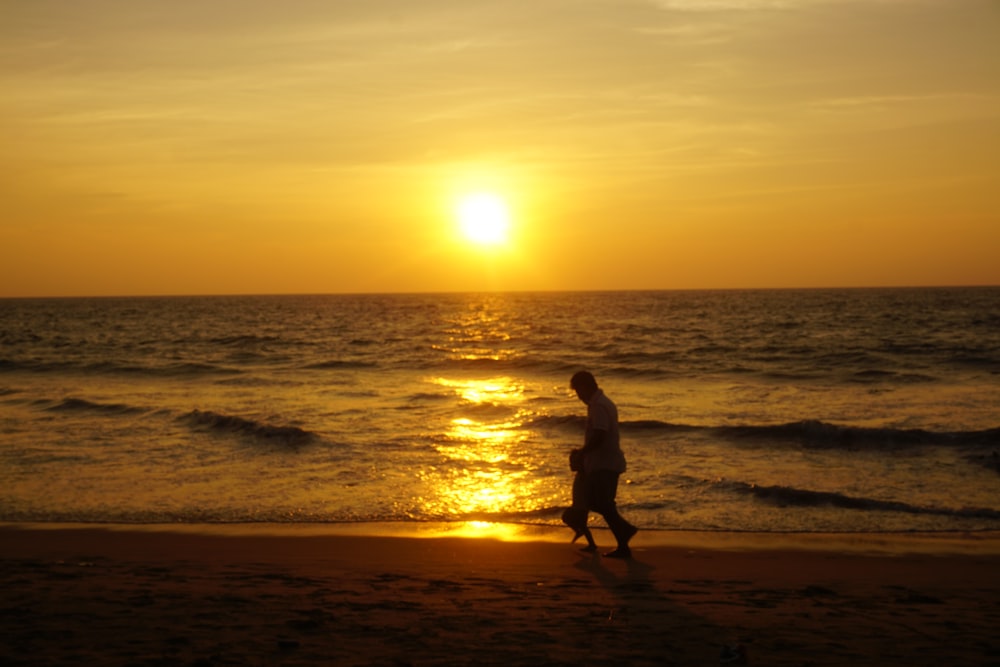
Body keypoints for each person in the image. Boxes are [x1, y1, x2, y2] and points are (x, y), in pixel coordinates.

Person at [569, 370, 637, 558]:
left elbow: (600, 433)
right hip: (605, 462)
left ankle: (625, 530)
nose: (579, 397)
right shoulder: (602, 403)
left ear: (585, 387)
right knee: (603, 502)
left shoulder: (598, 406)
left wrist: (583, 452)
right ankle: (624, 543)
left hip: (604, 464)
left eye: (578, 392)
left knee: (598, 502)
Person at [561, 448, 597, 551]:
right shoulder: (581, 474)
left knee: (570, 518)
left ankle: (591, 544)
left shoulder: (584, 475)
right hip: (578, 504)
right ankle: (585, 538)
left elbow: (589, 489)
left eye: (573, 462)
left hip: (582, 505)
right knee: (579, 523)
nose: (570, 465)